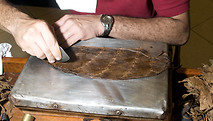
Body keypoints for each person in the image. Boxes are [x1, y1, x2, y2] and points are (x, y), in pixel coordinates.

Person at [0, 0, 189, 63]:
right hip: (68, 47)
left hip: (135, 46)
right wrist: (17, 22)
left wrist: (103, 24)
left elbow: (179, 30)